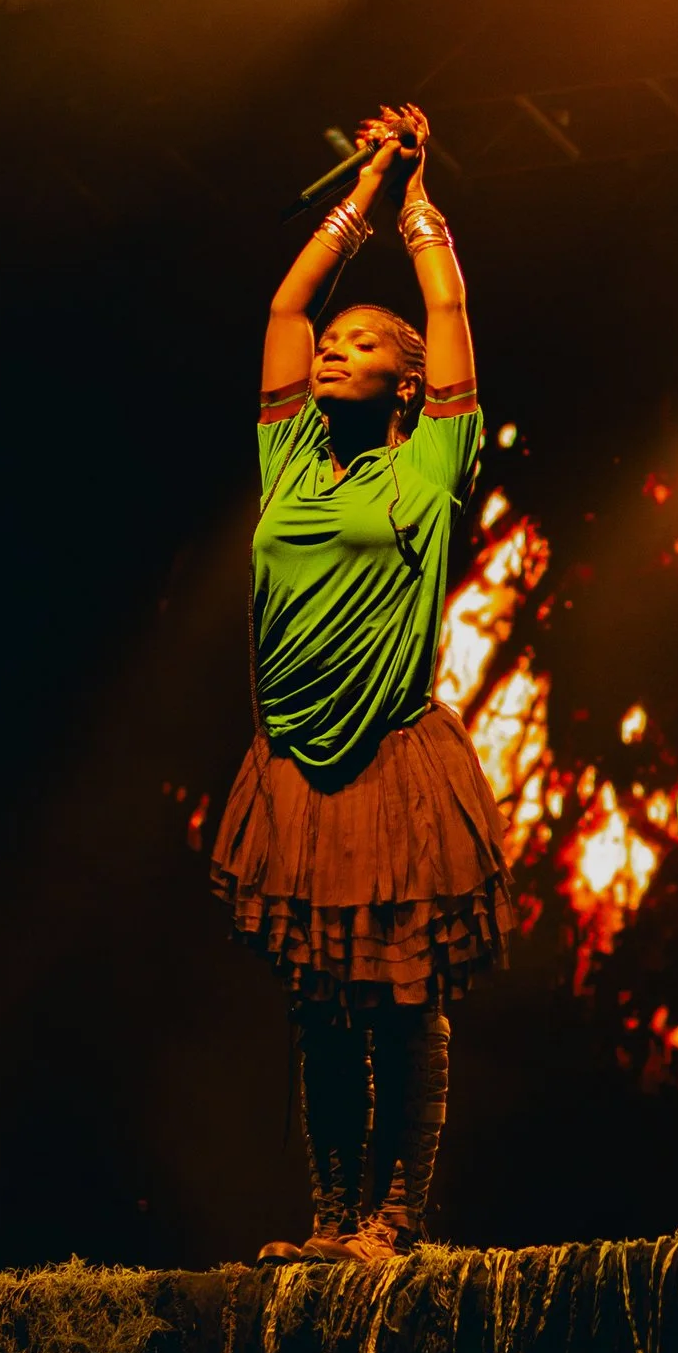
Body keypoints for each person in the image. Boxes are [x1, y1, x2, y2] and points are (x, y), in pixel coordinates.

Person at [209, 100, 510, 1265]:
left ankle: (396, 1218)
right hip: (292, 763)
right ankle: (330, 1215)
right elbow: (285, 305)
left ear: (411, 380)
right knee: (319, 1007)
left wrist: (420, 205)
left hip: (391, 758)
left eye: (364, 342)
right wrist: (357, 203)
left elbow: (450, 309)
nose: (335, 345)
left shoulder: (432, 459)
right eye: (335, 343)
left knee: (398, 998)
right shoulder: (288, 454)